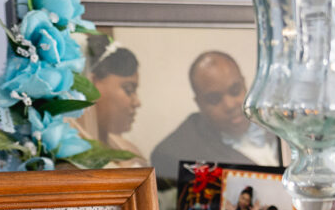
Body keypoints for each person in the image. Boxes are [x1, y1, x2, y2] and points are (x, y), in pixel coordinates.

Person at [151, 51, 280, 185]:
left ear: (244, 84)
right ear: (199, 103)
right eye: (214, 99)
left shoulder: (280, 117)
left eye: (235, 90)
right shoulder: (174, 153)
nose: (229, 105)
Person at [68, 36, 145, 167]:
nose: (137, 102)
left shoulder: (130, 150)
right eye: (128, 89)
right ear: (91, 84)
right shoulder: (69, 152)